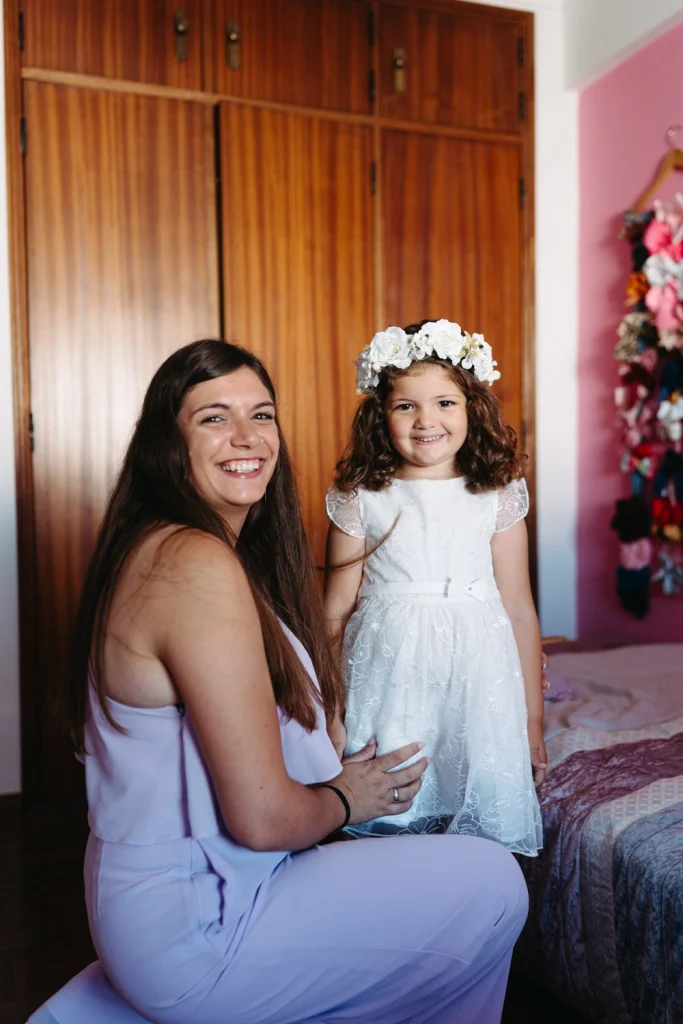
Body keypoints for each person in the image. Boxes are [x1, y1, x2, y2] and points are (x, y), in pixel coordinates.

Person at [54, 339, 528, 1024]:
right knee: (494, 884)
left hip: (163, 906)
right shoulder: (192, 563)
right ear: (167, 443)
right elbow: (262, 818)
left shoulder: (183, 548)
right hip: (198, 929)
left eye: (263, 415)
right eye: (213, 417)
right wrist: (346, 796)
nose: (247, 437)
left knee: (451, 879)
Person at [324, 320, 545, 855]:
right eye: (406, 406)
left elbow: (517, 605)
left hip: (477, 675)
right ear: (382, 414)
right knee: (393, 816)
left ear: (472, 408)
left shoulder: (496, 492)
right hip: (389, 678)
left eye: (445, 403)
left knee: (473, 824)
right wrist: (329, 713)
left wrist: (532, 720)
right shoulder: (362, 496)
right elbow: (333, 612)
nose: (427, 421)